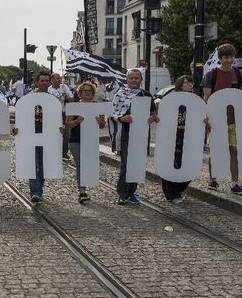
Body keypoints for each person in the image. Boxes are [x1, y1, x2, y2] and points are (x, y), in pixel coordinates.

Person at [111, 69, 158, 205]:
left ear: (141, 80)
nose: (133, 80)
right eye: (131, 78)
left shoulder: (147, 95)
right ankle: (121, 193)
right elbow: (112, 113)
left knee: (137, 164)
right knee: (126, 164)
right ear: (127, 80)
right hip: (125, 133)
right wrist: (122, 118)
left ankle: (131, 193)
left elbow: (153, 113)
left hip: (141, 134)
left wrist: (152, 118)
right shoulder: (120, 95)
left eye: (136, 78)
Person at [12, 71, 59, 202]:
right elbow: (21, 115)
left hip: (47, 136)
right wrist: (17, 129)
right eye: (42, 80)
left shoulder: (53, 99)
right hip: (31, 135)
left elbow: (57, 118)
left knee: (43, 164)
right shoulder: (28, 98)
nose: (44, 83)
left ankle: (39, 188)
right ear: (37, 82)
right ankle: (35, 191)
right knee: (33, 165)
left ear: (49, 82)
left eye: (46, 81)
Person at [203, 43, 242, 195]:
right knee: (217, 150)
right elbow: (207, 98)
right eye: (226, 57)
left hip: (234, 120)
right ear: (220, 58)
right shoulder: (211, 75)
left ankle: (234, 183)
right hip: (217, 119)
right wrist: (207, 118)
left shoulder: (238, 74)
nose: (229, 60)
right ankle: (212, 178)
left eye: (231, 57)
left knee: (234, 150)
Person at [64, 81, 106, 203]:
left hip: (91, 140)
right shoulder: (75, 106)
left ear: (93, 93)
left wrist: (100, 122)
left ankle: (84, 188)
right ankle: (82, 191)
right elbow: (67, 124)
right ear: (80, 93)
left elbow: (103, 125)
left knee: (88, 165)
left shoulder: (98, 107)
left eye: (90, 91)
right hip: (75, 140)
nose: (88, 93)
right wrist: (77, 121)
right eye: (85, 91)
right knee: (80, 165)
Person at [160, 75, 193, 203]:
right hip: (172, 133)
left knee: (187, 162)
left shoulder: (195, 99)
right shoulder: (171, 98)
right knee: (171, 162)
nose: (189, 85)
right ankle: (172, 193)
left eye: (191, 83)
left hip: (189, 134)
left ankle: (179, 187)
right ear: (180, 84)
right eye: (186, 83)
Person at [48, 73, 74, 159]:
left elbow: (72, 99)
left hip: (62, 113)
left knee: (66, 133)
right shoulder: (49, 89)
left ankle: (64, 152)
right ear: (52, 80)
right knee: (53, 132)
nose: (59, 80)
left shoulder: (64, 87)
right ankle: (54, 150)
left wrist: (66, 96)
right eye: (57, 78)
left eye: (60, 78)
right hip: (52, 114)